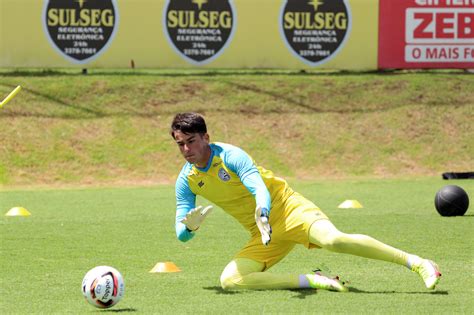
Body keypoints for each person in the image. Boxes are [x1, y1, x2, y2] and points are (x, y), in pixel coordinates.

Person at [171, 112, 441, 291]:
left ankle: (417, 262)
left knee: (334, 241)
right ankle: (313, 280)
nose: (186, 150)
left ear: (206, 137)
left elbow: (258, 186)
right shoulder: (187, 181)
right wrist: (190, 228)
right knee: (230, 281)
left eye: (191, 141)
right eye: (180, 144)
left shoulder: (230, 155)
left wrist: (263, 211)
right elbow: (181, 235)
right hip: (264, 234)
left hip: (289, 210)